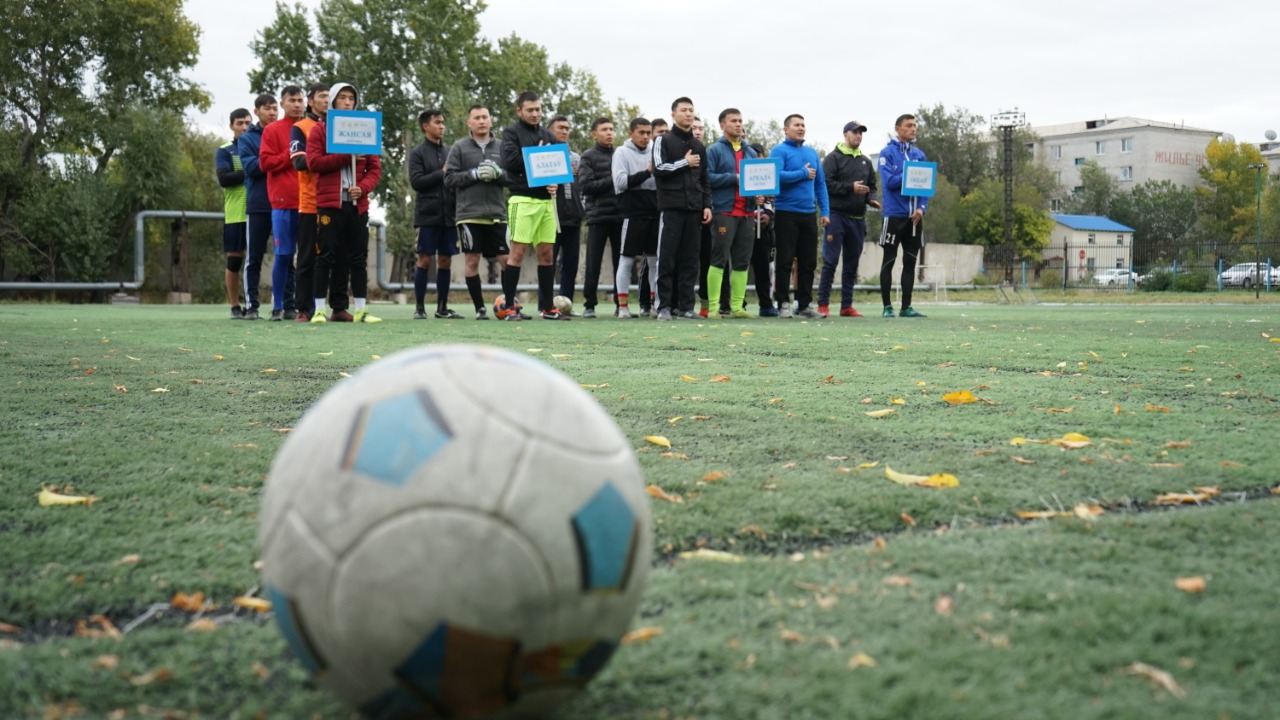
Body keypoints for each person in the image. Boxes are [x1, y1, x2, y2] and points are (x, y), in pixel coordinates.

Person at [306, 83, 382, 323]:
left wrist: (364, 188)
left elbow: (374, 168)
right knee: (326, 256)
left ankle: (361, 309)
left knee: (358, 258)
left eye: (351, 98)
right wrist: (345, 156)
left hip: (357, 205)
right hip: (330, 204)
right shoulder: (320, 130)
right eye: (343, 98)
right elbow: (314, 163)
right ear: (333, 102)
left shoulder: (364, 129)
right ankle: (319, 309)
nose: (347, 102)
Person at [499, 91, 569, 321]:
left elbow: (555, 166)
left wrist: (555, 184)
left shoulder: (548, 134)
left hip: (546, 203)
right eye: (530, 110)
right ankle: (509, 307)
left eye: (538, 109)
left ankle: (548, 308)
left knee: (547, 254)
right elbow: (511, 162)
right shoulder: (510, 132)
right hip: (522, 200)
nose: (535, 113)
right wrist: (538, 155)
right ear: (519, 111)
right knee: (517, 253)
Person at [445, 104, 509, 320]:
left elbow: (513, 177)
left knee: (507, 260)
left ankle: (509, 305)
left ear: (491, 120)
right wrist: (473, 174)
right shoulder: (459, 147)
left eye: (485, 117)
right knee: (472, 261)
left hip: (498, 215)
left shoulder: (502, 146)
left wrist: (498, 174)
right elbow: (449, 178)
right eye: (477, 118)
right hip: (468, 214)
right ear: (469, 122)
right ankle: (480, 308)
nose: (482, 121)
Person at [651, 96, 711, 321]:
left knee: (690, 260)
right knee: (667, 258)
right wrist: (684, 162)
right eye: (684, 110)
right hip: (671, 208)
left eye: (691, 111)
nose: (688, 114)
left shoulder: (699, 146)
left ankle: (686, 307)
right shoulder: (663, 141)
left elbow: (704, 179)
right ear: (673, 114)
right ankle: (663, 306)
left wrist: (707, 205)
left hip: (694, 209)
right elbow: (658, 168)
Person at [769, 114, 829, 318]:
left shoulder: (811, 153)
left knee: (808, 262)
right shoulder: (779, 150)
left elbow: (820, 184)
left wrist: (825, 211)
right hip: (786, 212)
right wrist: (801, 174)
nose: (801, 128)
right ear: (786, 129)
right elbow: (774, 175)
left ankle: (803, 305)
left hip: (808, 214)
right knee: (785, 260)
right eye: (796, 125)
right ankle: (783, 303)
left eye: (803, 125)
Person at [818, 120, 880, 318]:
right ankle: (823, 304)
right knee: (831, 261)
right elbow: (826, 184)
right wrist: (849, 188)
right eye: (855, 133)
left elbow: (872, 186)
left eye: (861, 133)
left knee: (851, 265)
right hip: (836, 216)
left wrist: (871, 199)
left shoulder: (866, 162)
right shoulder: (833, 158)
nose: (858, 136)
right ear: (845, 135)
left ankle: (846, 306)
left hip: (857, 218)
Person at [705, 108, 760, 319]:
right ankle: (713, 308)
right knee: (718, 259)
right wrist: (735, 178)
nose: (738, 124)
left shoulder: (751, 152)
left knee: (742, 261)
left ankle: (738, 308)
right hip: (723, 211)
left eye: (740, 120)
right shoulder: (714, 150)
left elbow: (756, 180)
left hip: (746, 214)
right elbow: (707, 178)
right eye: (733, 121)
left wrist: (758, 197)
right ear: (722, 125)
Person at [258, 84, 305, 321]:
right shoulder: (273, 130)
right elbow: (264, 163)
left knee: (308, 257)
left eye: (300, 100)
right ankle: (277, 306)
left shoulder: (312, 128)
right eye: (292, 100)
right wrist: (292, 153)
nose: (297, 104)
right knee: (284, 255)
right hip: (283, 202)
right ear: (283, 103)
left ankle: (302, 306)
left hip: (309, 202)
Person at [408, 108, 460, 320]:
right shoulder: (417, 153)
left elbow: (456, 179)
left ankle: (442, 307)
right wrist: (442, 173)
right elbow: (417, 182)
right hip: (427, 215)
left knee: (446, 261)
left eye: (443, 122)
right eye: (437, 122)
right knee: (424, 260)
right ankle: (419, 308)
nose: (442, 126)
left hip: (449, 215)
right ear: (425, 126)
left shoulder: (450, 151)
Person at [877, 113, 929, 318]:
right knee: (889, 260)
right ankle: (887, 306)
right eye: (908, 125)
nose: (913, 129)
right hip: (894, 215)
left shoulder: (919, 155)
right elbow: (889, 182)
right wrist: (910, 172)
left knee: (910, 261)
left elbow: (925, 186)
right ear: (897, 129)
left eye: (915, 125)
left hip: (914, 218)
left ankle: (906, 307)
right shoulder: (886, 153)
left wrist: (921, 208)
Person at [288, 82, 329, 322]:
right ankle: (303, 308)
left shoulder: (339, 126)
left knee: (333, 257)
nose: (326, 100)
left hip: (336, 201)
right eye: (321, 96)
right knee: (306, 257)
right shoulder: (300, 127)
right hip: (310, 202)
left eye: (328, 96)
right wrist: (329, 159)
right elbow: (299, 162)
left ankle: (334, 307)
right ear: (310, 102)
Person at [611, 117, 659, 319]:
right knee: (627, 260)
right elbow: (621, 182)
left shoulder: (655, 151)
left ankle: (656, 305)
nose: (646, 137)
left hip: (654, 213)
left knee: (655, 262)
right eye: (641, 132)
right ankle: (623, 307)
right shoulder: (621, 153)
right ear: (631, 133)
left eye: (649, 133)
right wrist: (647, 172)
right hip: (631, 214)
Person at [237, 93, 278, 320]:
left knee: (285, 256)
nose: (272, 112)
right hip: (259, 204)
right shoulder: (247, 139)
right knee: (254, 257)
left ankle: (282, 304)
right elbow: (251, 167)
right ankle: (252, 306)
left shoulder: (285, 132)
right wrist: (278, 159)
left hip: (283, 203)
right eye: (267, 108)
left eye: (274, 108)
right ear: (257, 111)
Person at [577, 117, 622, 318]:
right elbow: (586, 186)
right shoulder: (588, 156)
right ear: (594, 133)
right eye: (604, 129)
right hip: (597, 216)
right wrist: (612, 180)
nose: (609, 133)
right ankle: (590, 304)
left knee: (621, 264)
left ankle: (621, 304)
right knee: (593, 263)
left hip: (620, 216)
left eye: (611, 129)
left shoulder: (621, 154)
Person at [216, 108, 252, 319]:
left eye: (248, 123)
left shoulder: (257, 146)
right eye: (240, 123)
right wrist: (250, 169)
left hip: (257, 211)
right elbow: (224, 178)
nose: (244, 127)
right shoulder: (225, 150)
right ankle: (234, 306)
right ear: (231, 126)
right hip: (235, 213)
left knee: (254, 261)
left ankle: (252, 304)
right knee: (234, 260)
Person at [548, 115, 583, 308]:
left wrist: (581, 208)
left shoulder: (576, 158)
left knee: (570, 264)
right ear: (550, 130)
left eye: (567, 128)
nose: (564, 131)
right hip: (551, 216)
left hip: (573, 217)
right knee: (548, 263)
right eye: (560, 127)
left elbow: (582, 187)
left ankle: (566, 304)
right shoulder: (542, 156)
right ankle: (545, 304)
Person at [747, 142, 777, 316]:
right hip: (743, 225)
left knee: (764, 268)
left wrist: (767, 215)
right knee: (739, 266)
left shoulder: (768, 174)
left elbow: (771, 199)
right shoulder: (744, 173)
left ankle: (766, 304)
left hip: (764, 230)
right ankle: (736, 303)